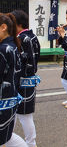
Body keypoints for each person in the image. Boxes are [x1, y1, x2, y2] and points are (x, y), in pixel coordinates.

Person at [11, 10, 40, 147]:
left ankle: (30, 143)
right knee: (21, 114)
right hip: (29, 80)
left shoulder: (22, 38)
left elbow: (25, 62)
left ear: (19, 24)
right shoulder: (32, 36)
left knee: (24, 115)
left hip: (23, 81)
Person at [0, 13, 28, 147]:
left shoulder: (3, 49)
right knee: (7, 137)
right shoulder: (12, 46)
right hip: (10, 97)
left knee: (6, 137)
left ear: (3, 27)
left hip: (4, 100)